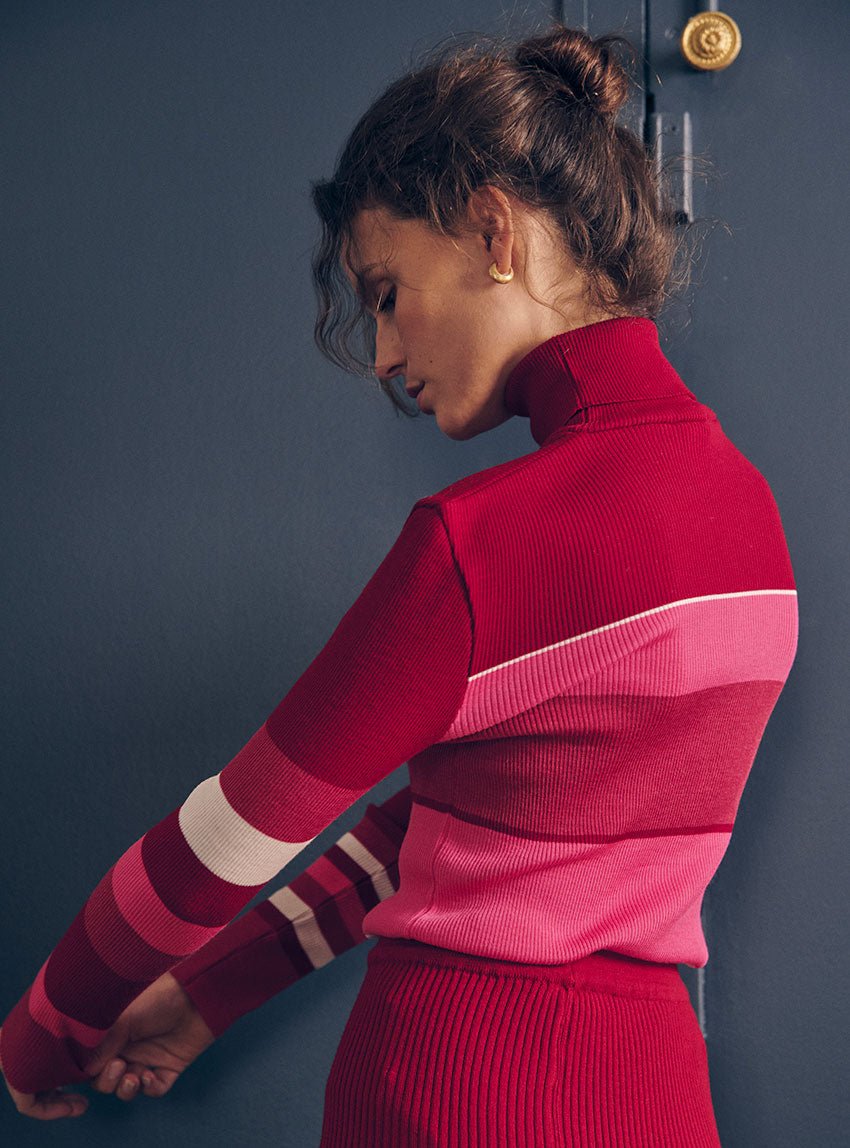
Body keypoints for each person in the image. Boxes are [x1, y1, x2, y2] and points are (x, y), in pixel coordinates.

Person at [0, 19, 799, 1145]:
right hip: (656, 1092)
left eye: (385, 293)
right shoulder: (749, 515)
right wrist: (203, 997)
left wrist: (44, 1027)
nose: (381, 354)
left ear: (493, 229)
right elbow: (457, 824)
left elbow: (229, 838)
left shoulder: (482, 540)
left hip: (456, 1086)